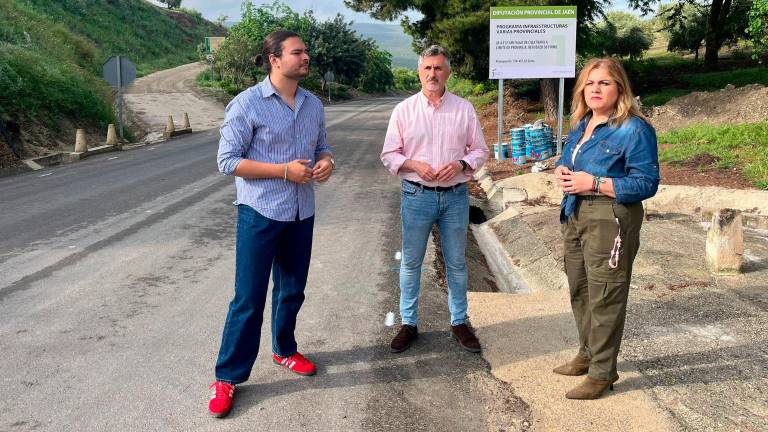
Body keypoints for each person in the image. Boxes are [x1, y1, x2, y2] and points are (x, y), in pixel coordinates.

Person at [208, 30, 334, 417]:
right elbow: (227, 161)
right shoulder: (246, 104)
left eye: (307, 51)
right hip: (260, 212)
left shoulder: (313, 104)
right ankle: (227, 377)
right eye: (298, 52)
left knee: (292, 290)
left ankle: (284, 349)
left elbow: (321, 147)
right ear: (275, 59)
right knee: (248, 298)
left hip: (301, 213)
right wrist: (282, 171)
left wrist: (327, 161)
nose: (306, 57)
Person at [553, 57, 659, 399]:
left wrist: (594, 182)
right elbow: (569, 159)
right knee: (580, 289)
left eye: (604, 83)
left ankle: (602, 372)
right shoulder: (582, 123)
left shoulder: (634, 128)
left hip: (609, 217)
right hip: (575, 212)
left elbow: (646, 183)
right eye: (590, 82)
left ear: (620, 89)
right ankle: (587, 353)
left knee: (606, 294)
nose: (595, 89)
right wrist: (561, 170)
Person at [381, 45, 489, 354]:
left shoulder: (464, 109)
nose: (433, 74)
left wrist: (460, 165)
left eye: (439, 68)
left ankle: (458, 322)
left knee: (456, 263)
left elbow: (479, 150)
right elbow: (389, 153)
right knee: (412, 262)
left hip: (455, 197)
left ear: (448, 73)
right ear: (419, 72)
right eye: (427, 68)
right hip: (417, 196)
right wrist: (415, 165)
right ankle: (409, 324)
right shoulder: (404, 110)